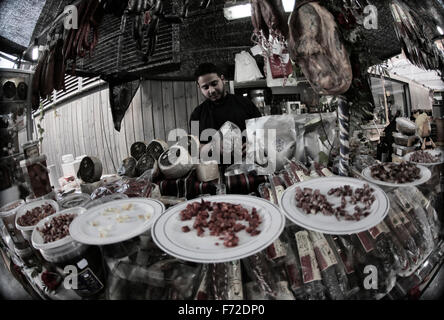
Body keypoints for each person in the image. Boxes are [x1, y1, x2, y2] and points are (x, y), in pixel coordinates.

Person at [189, 63, 262, 158]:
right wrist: (212, 147)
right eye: (205, 87)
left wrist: (253, 144)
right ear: (199, 87)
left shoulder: (245, 104)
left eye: (214, 84)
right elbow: (195, 148)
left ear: (223, 79)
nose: (211, 90)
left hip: (249, 165)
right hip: (214, 170)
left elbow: (262, 132)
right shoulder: (197, 114)